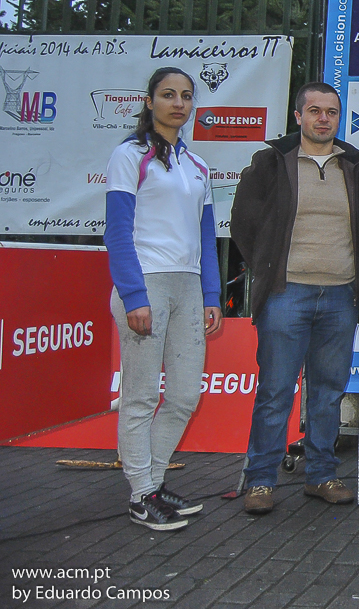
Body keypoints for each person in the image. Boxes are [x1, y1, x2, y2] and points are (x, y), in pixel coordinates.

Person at [232, 82, 359, 514]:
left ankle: (321, 475)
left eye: (331, 112)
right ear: (298, 116)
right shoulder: (270, 162)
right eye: (314, 111)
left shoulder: (356, 165)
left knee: (328, 393)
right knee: (275, 392)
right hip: (286, 294)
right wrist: (269, 268)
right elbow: (244, 223)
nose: (323, 119)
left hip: (341, 296)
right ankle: (260, 481)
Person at [104, 66, 222, 530]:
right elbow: (117, 232)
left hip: (188, 287)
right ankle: (141, 495)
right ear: (150, 101)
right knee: (140, 397)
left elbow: (206, 236)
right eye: (169, 94)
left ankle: (153, 483)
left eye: (186, 96)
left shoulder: (198, 165)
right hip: (145, 285)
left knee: (185, 395)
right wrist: (134, 295)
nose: (179, 103)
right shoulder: (129, 154)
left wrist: (211, 293)